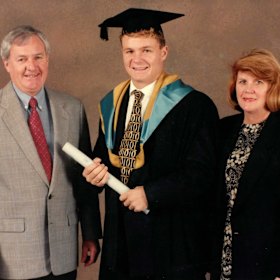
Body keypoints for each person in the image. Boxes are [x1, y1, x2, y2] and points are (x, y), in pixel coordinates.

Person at [82, 8, 220, 280]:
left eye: (146, 50)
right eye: (129, 51)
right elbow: (103, 160)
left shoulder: (194, 106)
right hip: (120, 245)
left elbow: (203, 174)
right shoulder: (113, 104)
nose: (137, 59)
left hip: (169, 244)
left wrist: (151, 193)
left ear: (163, 52)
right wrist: (94, 175)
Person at [0, 25, 102, 280]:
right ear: (6, 64)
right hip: (13, 257)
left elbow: (83, 180)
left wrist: (90, 234)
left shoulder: (72, 108)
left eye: (38, 57)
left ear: (48, 59)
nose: (31, 66)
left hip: (63, 251)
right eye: (21, 59)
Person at [215, 49, 280, 280]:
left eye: (258, 82)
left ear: (272, 88)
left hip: (266, 261)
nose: (248, 89)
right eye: (243, 81)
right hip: (224, 252)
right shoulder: (222, 130)